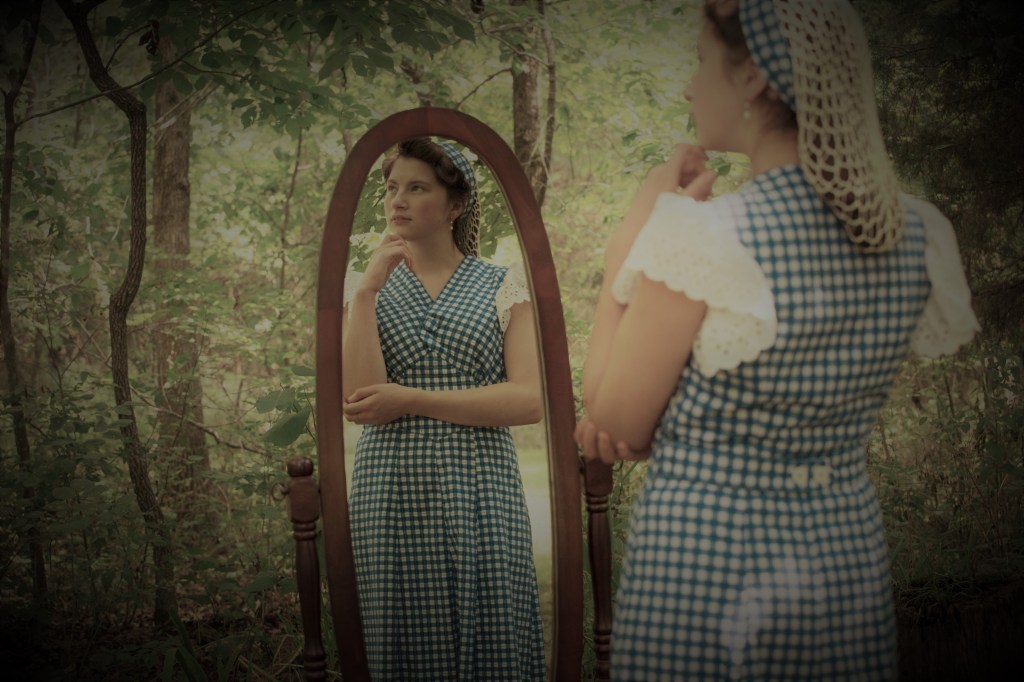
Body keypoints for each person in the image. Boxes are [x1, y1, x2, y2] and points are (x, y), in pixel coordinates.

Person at [575, 0, 980, 679]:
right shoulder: (918, 234)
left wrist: (630, 244)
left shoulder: (706, 236)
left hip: (705, 569)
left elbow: (613, 420)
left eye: (701, 62)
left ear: (753, 76)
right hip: (841, 565)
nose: (689, 87)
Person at [342, 138, 547, 680]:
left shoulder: (502, 285)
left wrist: (410, 398)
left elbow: (528, 399)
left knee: (491, 628)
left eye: (417, 188)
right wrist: (367, 292)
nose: (397, 200)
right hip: (390, 486)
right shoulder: (363, 290)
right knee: (401, 636)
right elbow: (361, 401)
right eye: (392, 188)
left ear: (455, 205)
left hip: (482, 482)